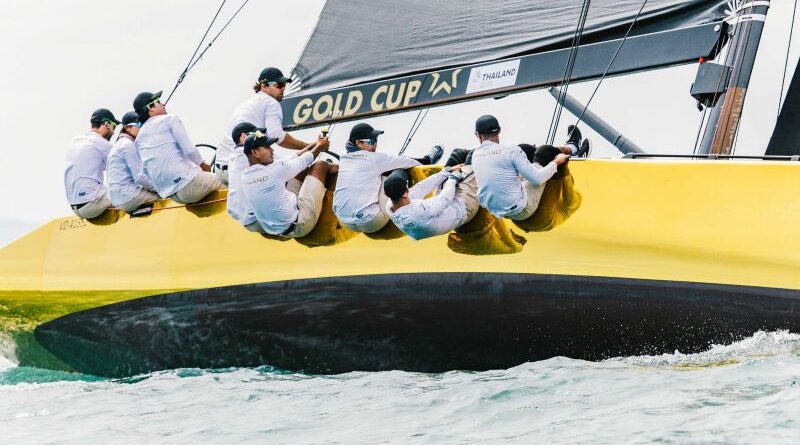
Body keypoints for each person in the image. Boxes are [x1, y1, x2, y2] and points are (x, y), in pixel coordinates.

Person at [333, 123, 444, 233]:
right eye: (372, 141)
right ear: (359, 143)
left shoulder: (343, 158)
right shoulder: (375, 158)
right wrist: (427, 161)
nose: (375, 145)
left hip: (344, 221)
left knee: (378, 172)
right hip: (370, 222)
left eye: (376, 140)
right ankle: (406, 202)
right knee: (399, 171)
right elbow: (410, 163)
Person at [470, 115, 570, 221]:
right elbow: (538, 179)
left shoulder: (475, 154)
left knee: (524, 148)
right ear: (499, 131)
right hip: (521, 210)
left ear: (478, 135)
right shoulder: (512, 150)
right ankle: (572, 149)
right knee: (545, 151)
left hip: (495, 211)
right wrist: (556, 162)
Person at [133, 90, 222, 204]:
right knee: (232, 181)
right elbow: (189, 149)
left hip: (171, 195)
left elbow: (146, 170)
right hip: (188, 184)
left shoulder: (138, 138)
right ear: (150, 108)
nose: (163, 104)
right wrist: (203, 165)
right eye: (158, 101)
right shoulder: (170, 119)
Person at [241, 132, 335, 238]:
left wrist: (314, 145)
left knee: (297, 171)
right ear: (255, 152)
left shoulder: (245, 175)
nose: (272, 150)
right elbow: (306, 159)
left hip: (276, 230)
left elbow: (288, 159)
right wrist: (320, 147)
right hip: (299, 225)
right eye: (267, 147)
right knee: (320, 165)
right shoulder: (274, 171)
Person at [384, 165, 479, 240]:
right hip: (463, 208)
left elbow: (421, 188)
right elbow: (445, 200)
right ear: (405, 193)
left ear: (386, 194)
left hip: (441, 207)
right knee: (470, 165)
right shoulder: (417, 212)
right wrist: (453, 177)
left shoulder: (390, 206)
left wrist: (446, 172)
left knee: (455, 158)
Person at [64, 108, 119, 218]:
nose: (114, 132)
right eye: (114, 126)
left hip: (75, 207)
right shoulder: (102, 143)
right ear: (107, 124)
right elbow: (123, 166)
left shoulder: (76, 140)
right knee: (128, 194)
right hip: (92, 205)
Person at [107, 111, 160, 213]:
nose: (143, 128)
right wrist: (160, 188)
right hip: (127, 197)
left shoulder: (120, 144)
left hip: (117, 199)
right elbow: (140, 177)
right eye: (140, 125)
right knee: (165, 196)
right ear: (127, 128)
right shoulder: (127, 145)